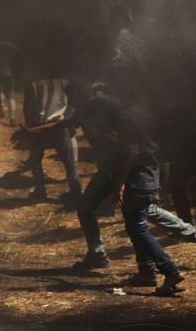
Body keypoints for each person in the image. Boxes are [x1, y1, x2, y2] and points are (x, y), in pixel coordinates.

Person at [73, 89, 193, 282]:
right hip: (134, 175)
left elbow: (131, 152)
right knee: (138, 222)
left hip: (136, 177)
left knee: (139, 224)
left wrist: (119, 184)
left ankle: (168, 270)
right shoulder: (128, 120)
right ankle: (147, 272)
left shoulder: (126, 123)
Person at [23, 76, 80, 205]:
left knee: (36, 160)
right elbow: (72, 103)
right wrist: (69, 122)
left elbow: (28, 108)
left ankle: (40, 189)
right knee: (69, 161)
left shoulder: (33, 84)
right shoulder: (64, 81)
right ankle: (75, 192)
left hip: (39, 127)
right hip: (60, 126)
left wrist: (29, 128)